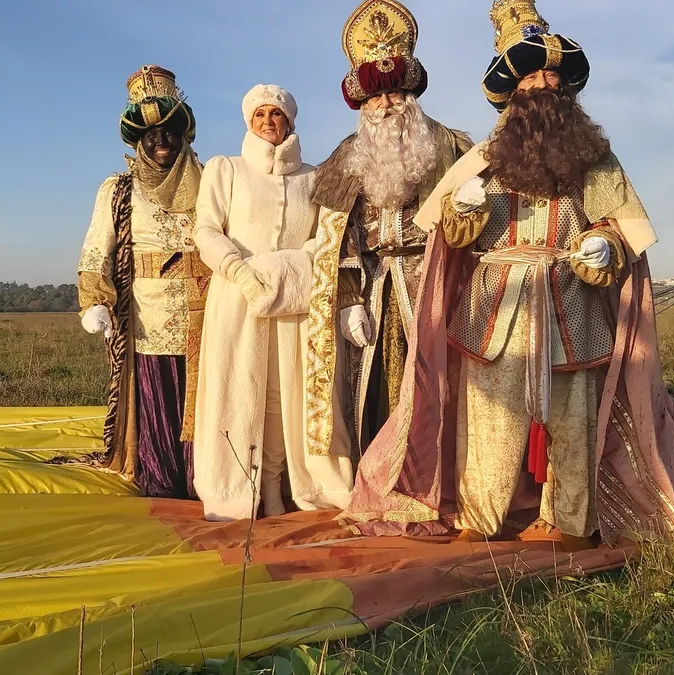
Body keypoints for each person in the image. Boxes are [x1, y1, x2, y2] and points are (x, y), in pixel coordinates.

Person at [339, 0, 674, 555]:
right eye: (532, 76)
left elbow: (622, 228)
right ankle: (480, 514)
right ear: (512, 90)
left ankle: (572, 519)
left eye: (552, 76)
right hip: (494, 310)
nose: (544, 84)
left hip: (571, 305)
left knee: (574, 420)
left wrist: (604, 246)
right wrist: (462, 214)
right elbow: (450, 237)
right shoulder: (481, 159)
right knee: (490, 419)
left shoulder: (594, 159)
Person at [304, 0, 475, 462]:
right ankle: (377, 477)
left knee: (439, 386)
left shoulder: (452, 146)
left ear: (410, 94)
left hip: (436, 284)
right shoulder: (347, 156)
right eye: (374, 97)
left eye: (394, 93)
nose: (385, 105)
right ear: (362, 103)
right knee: (374, 389)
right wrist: (347, 301)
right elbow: (335, 236)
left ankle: (434, 477)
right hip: (375, 287)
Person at [192, 85, 355, 521]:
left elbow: (326, 239)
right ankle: (238, 490)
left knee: (288, 396)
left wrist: (290, 267)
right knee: (243, 391)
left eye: (277, 114)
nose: (268, 121)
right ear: (249, 121)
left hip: (297, 301)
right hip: (238, 299)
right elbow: (206, 230)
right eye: (260, 114)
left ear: (290, 121)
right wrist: (241, 272)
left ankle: (277, 485)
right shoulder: (226, 169)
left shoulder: (315, 177)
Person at [76, 65, 210, 500]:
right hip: (148, 316)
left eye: (169, 131)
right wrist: (95, 300)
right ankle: (161, 478)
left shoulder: (212, 181)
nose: (161, 141)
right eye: (151, 135)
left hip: (210, 312)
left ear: (184, 136)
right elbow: (97, 249)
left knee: (207, 396)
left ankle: (207, 479)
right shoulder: (117, 190)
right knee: (157, 396)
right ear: (139, 141)